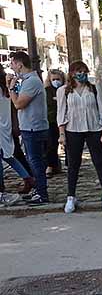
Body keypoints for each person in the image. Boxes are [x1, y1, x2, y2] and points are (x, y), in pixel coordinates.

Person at [57, 61, 102, 213]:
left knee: (99, 162)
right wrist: (62, 134)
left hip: (94, 128)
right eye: (78, 71)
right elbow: (61, 113)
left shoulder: (93, 88)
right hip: (73, 130)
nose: (82, 74)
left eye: (84, 71)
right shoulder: (64, 91)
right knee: (73, 164)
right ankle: (71, 196)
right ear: (72, 73)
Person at [7, 51, 49, 205]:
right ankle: (38, 190)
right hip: (29, 126)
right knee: (34, 161)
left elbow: (19, 104)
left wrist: (11, 88)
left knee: (35, 161)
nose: (11, 66)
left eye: (12, 63)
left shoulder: (31, 81)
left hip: (33, 128)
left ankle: (42, 194)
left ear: (19, 64)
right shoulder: (26, 80)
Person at [0, 63, 30, 206]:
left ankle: (1, 188)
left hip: (2, 127)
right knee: (7, 156)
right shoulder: (5, 90)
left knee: (4, 157)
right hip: (6, 126)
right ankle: (27, 177)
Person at [44, 69, 65, 175]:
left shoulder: (66, 89)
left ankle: (70, 164)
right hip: (52, 120)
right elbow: (49, 104)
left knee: (68, 144)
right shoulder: (47, 90)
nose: (56, 81)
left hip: (66, 119)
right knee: (51, 144)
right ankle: (51, 165)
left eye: (58, 79)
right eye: (54, 79)